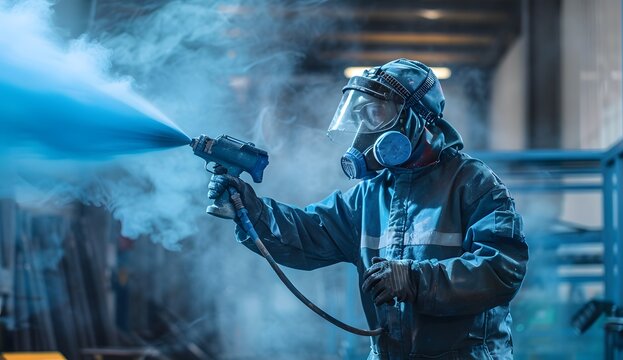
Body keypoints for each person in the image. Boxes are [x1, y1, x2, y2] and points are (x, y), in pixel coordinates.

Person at [208, 58, 529, 360]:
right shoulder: (368, 196)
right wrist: (250, 210)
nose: (365, 130)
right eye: (359, 116)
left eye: (375, 115)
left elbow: (501, 269)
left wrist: (416, 279)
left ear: (417, 119)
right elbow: (306, 233)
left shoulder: (472, 183)